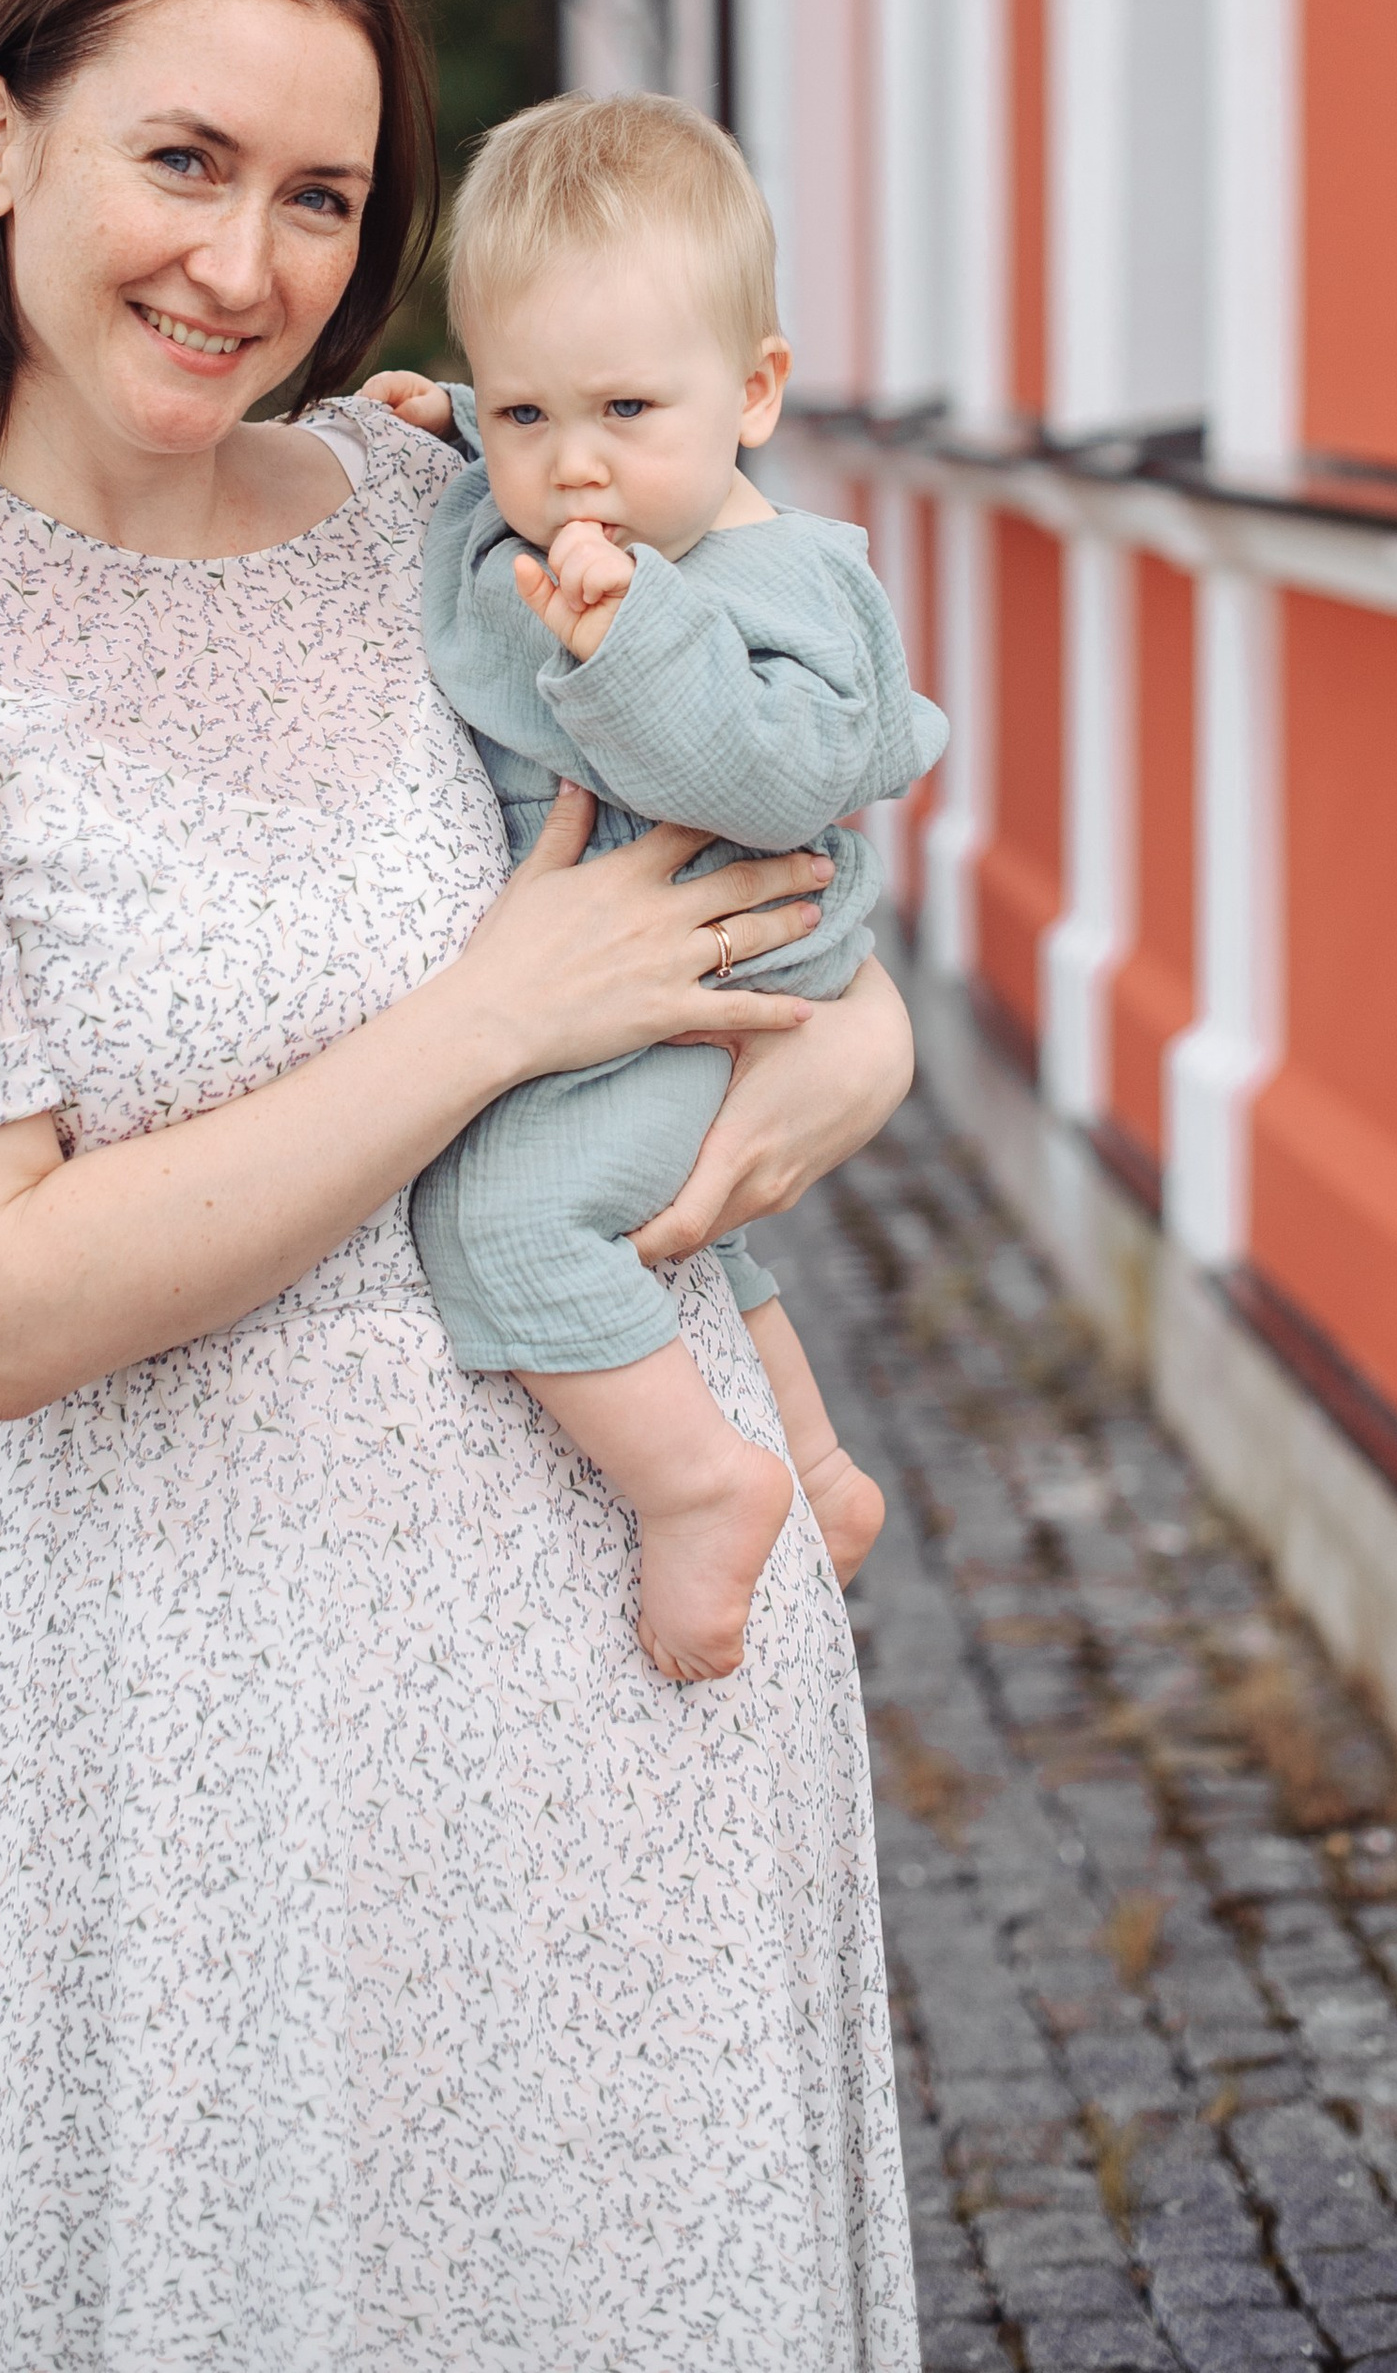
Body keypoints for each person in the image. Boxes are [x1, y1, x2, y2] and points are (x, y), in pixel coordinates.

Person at [0, 0, 924, 2373]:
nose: (241, 263)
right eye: (182, 160)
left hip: (626, 1659)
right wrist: (483, 1022)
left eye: (318, 197)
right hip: (204, 1747)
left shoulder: (432, 516)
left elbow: (766, 839)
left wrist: (850, 1041)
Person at [363, 93, 945, 1689]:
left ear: (756, 392)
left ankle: (700, 1488)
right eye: (526, 415)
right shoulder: (569, 489)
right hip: (638, 988)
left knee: (511, 1209)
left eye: (626, 407)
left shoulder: (780, 584)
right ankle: (815, 1469)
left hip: (719, 977)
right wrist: (446, 426)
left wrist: (636, 642)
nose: (574, 468)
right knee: (689, 1239)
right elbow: (562, 418)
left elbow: (767, 780)